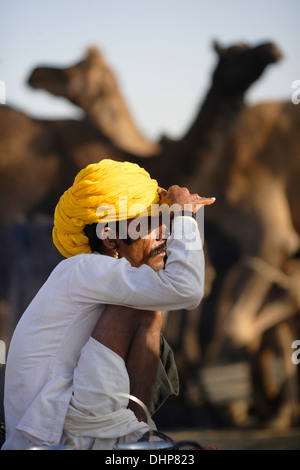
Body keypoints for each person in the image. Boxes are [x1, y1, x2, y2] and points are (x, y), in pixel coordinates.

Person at [2, 159, 215, 450]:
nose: (164, 235)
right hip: (48, 435)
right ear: (111, 240)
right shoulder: (83, 269)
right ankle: (131, 438)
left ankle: (135, 436)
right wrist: (185, 218)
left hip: (58, 429)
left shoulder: (95, 275)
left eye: (164, 224)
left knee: (144, 304)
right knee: (141, 308)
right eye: (150, 225)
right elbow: (187, 291)